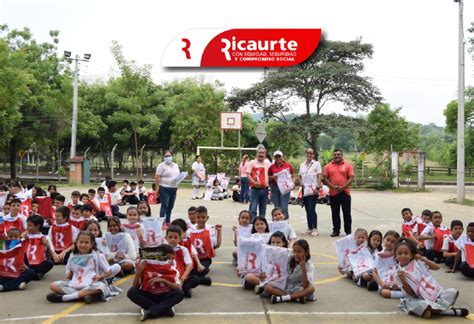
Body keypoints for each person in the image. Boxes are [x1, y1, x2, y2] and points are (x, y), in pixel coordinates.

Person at [394, 238, 469, 319]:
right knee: (421, 308)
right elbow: (409, 294)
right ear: (396, 256)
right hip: (417, 298)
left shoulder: (417, 263)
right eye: (400, 253)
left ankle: (435, 309)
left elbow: (437, 267)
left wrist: (422, 259)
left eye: (406, 253)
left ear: (411, 254)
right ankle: (449, 312)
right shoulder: (398, 273)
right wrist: (403, 280)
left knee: (452, 293)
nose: (403, 256)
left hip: (432, 293)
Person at [46, 231, 121, 303]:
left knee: (101, 286)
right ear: (76, 243)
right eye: (81, 242)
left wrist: (101, 277)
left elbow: (109, 271)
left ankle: (66, 298)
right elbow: (71, 272)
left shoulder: (98, 255)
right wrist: (67, 280)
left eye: (86, 242)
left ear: (92, 244)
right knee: (54, 285)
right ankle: (85, 295)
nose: (83, 245)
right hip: (75, 285)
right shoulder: (72, 256)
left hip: (92, 283)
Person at [127, 244, 184, 321]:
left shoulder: (172, 269)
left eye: (171, 258)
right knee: (131, 292)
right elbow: (135, 287)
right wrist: (138, 273)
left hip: (165, 296)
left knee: (179, 293)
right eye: (167, 258)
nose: (170, 260)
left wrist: (164, 281)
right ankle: (165, 309)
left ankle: (150, 312)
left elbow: (179, 288)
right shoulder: (144, 266)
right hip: (150, 296)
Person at [266, 239, 316, 304]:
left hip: (299, 288)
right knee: (268, 287)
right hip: (285, 287)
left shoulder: (310, 266)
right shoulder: (289, 259)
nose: (296, 254)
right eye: (294, 251)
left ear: (306, 253)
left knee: (311, 289)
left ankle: (282, 298)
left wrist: (303, 269)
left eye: (299, 251)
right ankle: (295, 298)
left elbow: (305, 286)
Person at [323, 149, 354, 237]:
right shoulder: (328, 166)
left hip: (345, 193)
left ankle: (348, 232)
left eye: (338, 154)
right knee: (335, 213)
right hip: (333, 193)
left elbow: (351, 178)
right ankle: (336, 230)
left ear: (342, 155)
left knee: (347, 213)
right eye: (335, 154)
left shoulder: (347, 165)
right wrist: (333, 186)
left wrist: (343, 187)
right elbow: (325, 178)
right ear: (333, 156)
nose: (337, 156)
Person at [165, 225, 199, 298]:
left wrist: (182, 279)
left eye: (175, 237)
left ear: (180, 239)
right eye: (170, 237)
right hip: (167, 278)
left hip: (180, 277)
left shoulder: (183, 249)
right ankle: (182, 291)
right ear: (166, 238)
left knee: (195, 279)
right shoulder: (162, 249)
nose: (173, 239)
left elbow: (189, 265)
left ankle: (180, 290)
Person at [371, 230, 403, 297]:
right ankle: (406, 294)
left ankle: (408, 293)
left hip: (397, 282)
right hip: (385, 283)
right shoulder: (378, 255)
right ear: (383, 239)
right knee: (385, 293)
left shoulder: (398, 255)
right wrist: (382, 284)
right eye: (387, 240)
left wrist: (397, 282)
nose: (389, 243)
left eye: (393, 242)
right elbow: (374, 272)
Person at [299, 148, 323, 237]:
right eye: (308, 153)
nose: (309, 154)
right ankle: (309, 228)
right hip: (305, 190)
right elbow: (300, 176)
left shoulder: (316, 164)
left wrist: (317, 186)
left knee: (312, 209)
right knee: (307, 209)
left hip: (313, 189)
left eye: (311, 153)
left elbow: (319, 175)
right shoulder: (302, 165)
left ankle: (315, 228)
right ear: (306, 154)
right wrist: (300, 183)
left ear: (313, 154)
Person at [155, 150, 180, 225]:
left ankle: (168, 220)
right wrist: (157, 189)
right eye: (166, 156)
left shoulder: (176, 165)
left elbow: (177, 175)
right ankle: (162, 221)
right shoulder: (161, 166)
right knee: (164, 205)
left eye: (169, 156)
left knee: (170, 205)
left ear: (172, 156)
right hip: (165, 188)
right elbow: (157, 177)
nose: (168, 157)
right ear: (164, 157)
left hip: (174, 188)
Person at [268, 151, 295, 220]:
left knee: (284, 207)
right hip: (275, 188)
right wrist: (272, 177)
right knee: (277, 207)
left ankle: (285, 222)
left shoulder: (288, 166)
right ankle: (277, 223)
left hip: (285, 188)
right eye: (276, 157)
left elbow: (293, 175)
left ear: (282, 157)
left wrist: (293, 183)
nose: (278, 158)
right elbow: (268, 176)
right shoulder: (272, 167)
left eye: (279, 156)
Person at [247, 148, 271, 220]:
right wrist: (253, 182)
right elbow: (248, 173)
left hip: (265, 189)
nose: (261, 154)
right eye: (259, 153)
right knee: (253, 208)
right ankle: (252, 224)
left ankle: (261, 225)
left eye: (263, 153)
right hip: (255, 189)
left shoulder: (267, 163)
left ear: (265, 155)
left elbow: (270, 174)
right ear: (256, 154)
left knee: (263, 209)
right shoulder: (252, 163)